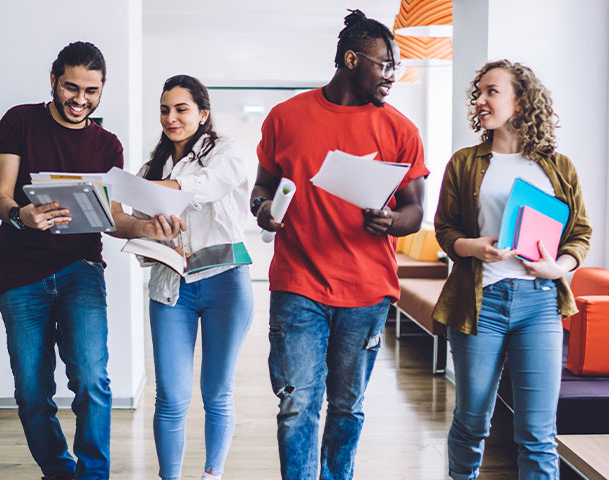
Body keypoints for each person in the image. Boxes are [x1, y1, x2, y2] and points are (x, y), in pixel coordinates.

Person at [0, 41, 182, 480]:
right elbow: (0, 198)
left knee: (93, 384)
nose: (81, 100)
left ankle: (93, 476)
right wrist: (22, 214)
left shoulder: (106, 145)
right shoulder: (19, 121)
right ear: (54, 81)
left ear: (101, 90)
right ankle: (59, 471)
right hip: (21, 275)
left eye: (92, 91)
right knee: (32, 391)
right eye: (72, 88)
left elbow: (113, 219)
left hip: (82, 271)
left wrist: (151, 229)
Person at [251, 10, 429, 480]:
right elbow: (261, 188)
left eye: (396, 66)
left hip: (366, 291)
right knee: (298, 402)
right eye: (385, 64)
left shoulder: (401, 130)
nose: (393, 75)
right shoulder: (285, 118)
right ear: (351, 59)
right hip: (297, 284)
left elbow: (415, 212)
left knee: (346, 407)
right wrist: (263, 209)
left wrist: (392, 221)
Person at [432, 60, 592, 479]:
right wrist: (471, 247)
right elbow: (444, 229)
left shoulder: (558, 167)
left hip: (539, 307)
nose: (480, 100)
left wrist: (557, 267)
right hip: (479, 304)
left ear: (521, 101)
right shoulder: (464, 163)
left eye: (492, 92)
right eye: (478, 93)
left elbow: (580, 233)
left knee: (538, 433)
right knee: (472, 421)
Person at [118, 74, 253, 480]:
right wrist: (147, 228)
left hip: (225, 283)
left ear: (203, 113)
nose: (171, 118)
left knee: (217, 393)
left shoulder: (224, 152)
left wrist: (151, 189)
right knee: (171, 398)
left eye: (181, 109)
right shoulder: (151, 165)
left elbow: (205, 187)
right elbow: (129, 220)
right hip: (170, 288)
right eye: (164, 109)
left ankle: (212, 475)